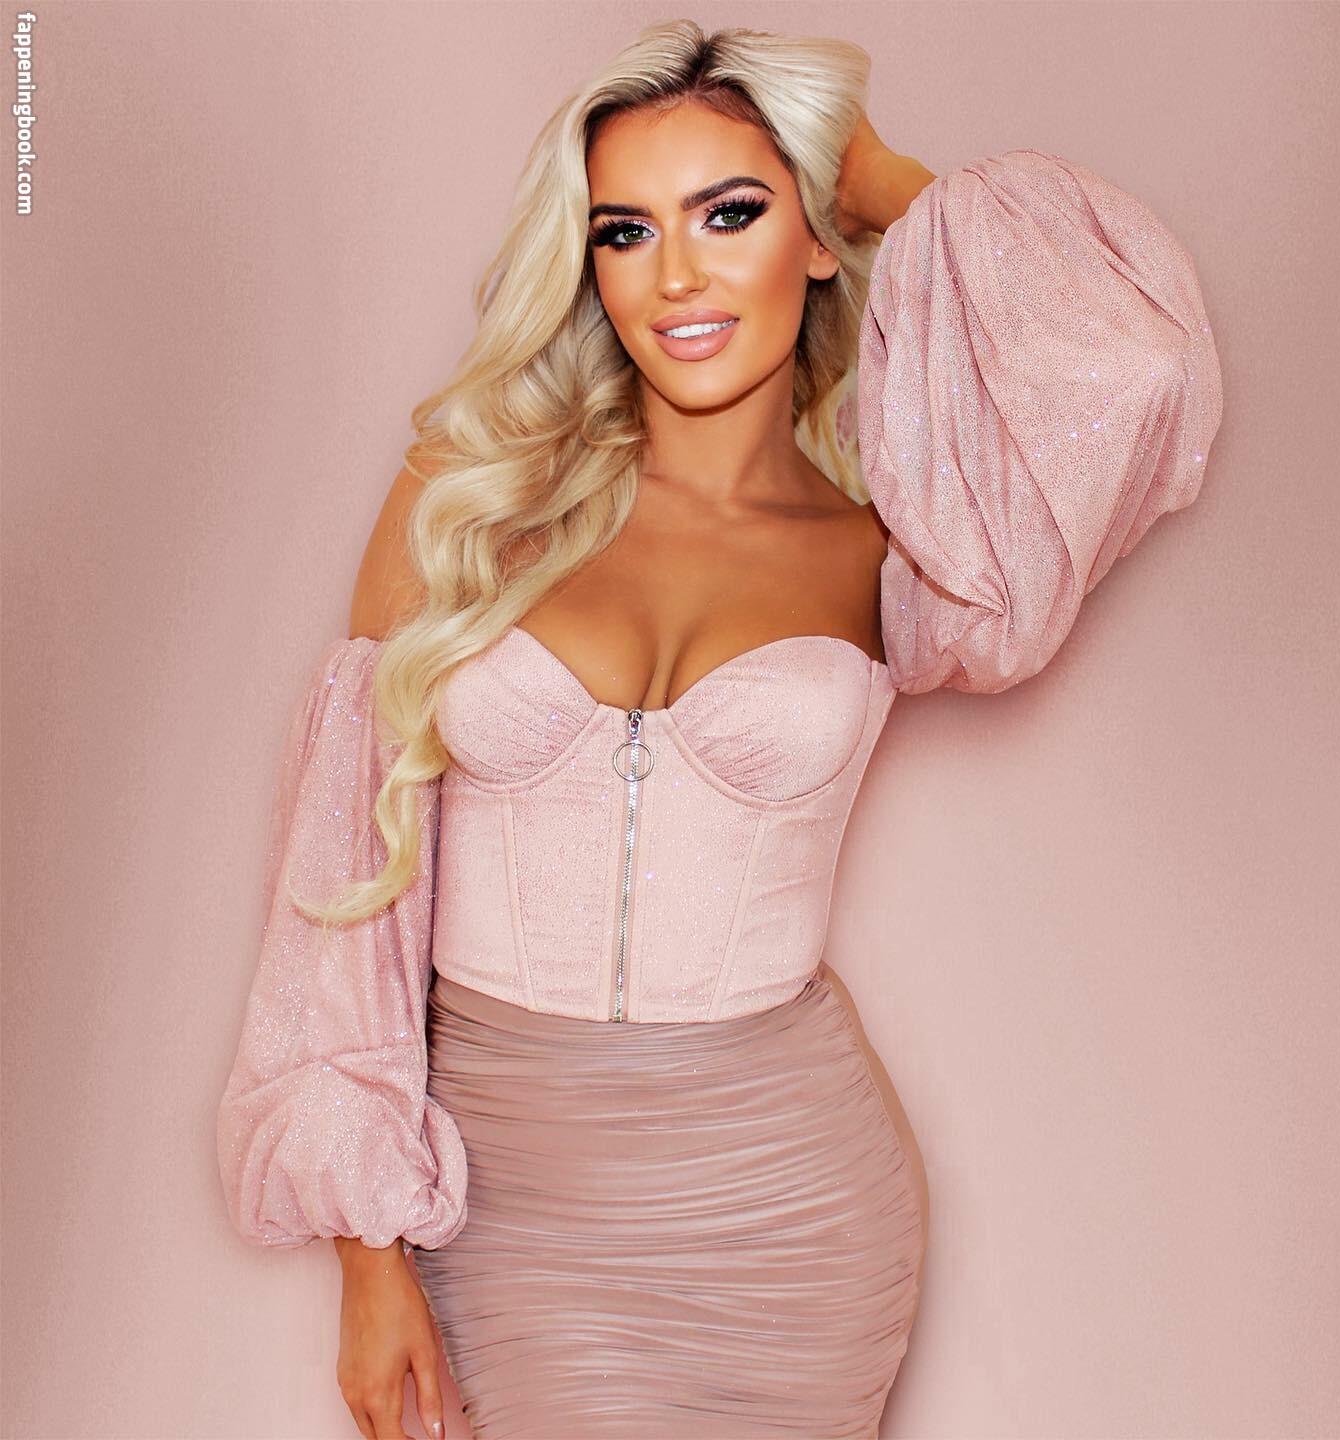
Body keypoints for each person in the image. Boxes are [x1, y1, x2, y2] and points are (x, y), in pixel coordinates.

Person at [215, 19, 1223, 1440]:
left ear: (812, 236)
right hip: (501, 1193)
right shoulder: (469, 496)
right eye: (626, 231)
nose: (676, 275)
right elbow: (339, 890)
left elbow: (1141, 371)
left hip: (787, 1201)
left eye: (731, 213)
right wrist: (367, 1258)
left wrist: (875, 178)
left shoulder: (891, 551)